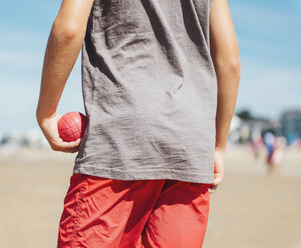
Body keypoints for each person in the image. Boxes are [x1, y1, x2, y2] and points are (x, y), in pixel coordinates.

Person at [36, 0, 240, 247]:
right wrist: (218, 145)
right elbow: (229, 62)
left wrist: (46, 112)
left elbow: (69, 28)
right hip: (191, 142)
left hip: (123, 135)